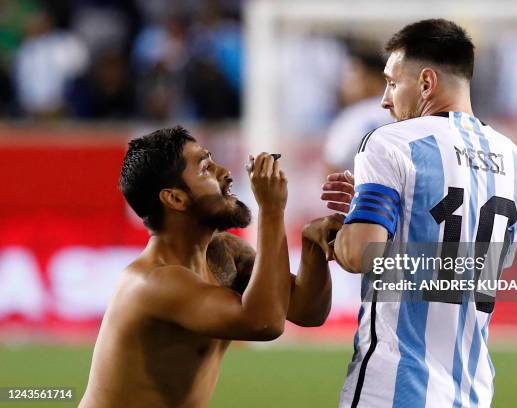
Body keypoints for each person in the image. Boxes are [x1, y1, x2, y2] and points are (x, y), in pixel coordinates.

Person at [325, 19, 517, 407]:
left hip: (392, 387)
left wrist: (337, 234)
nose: (385, 100)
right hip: (472, 392)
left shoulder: (390, 142)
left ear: (425, 82)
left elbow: (359, 255)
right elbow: (473, 270)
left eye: (392, 82)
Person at [80, 126, 341, 407]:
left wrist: (312, 247)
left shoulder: (223, 253)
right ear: (175, 199)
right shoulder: (153, 282)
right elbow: (264, 323)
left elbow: (306, 311)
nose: (225, 172)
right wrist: (272, 209)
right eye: (205, 168)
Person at [323, 42, 390, 174]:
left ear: (374, 79)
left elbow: (332, 167)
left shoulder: (355, 117)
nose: (345, 85)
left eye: (352, 78)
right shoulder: (406, 110)